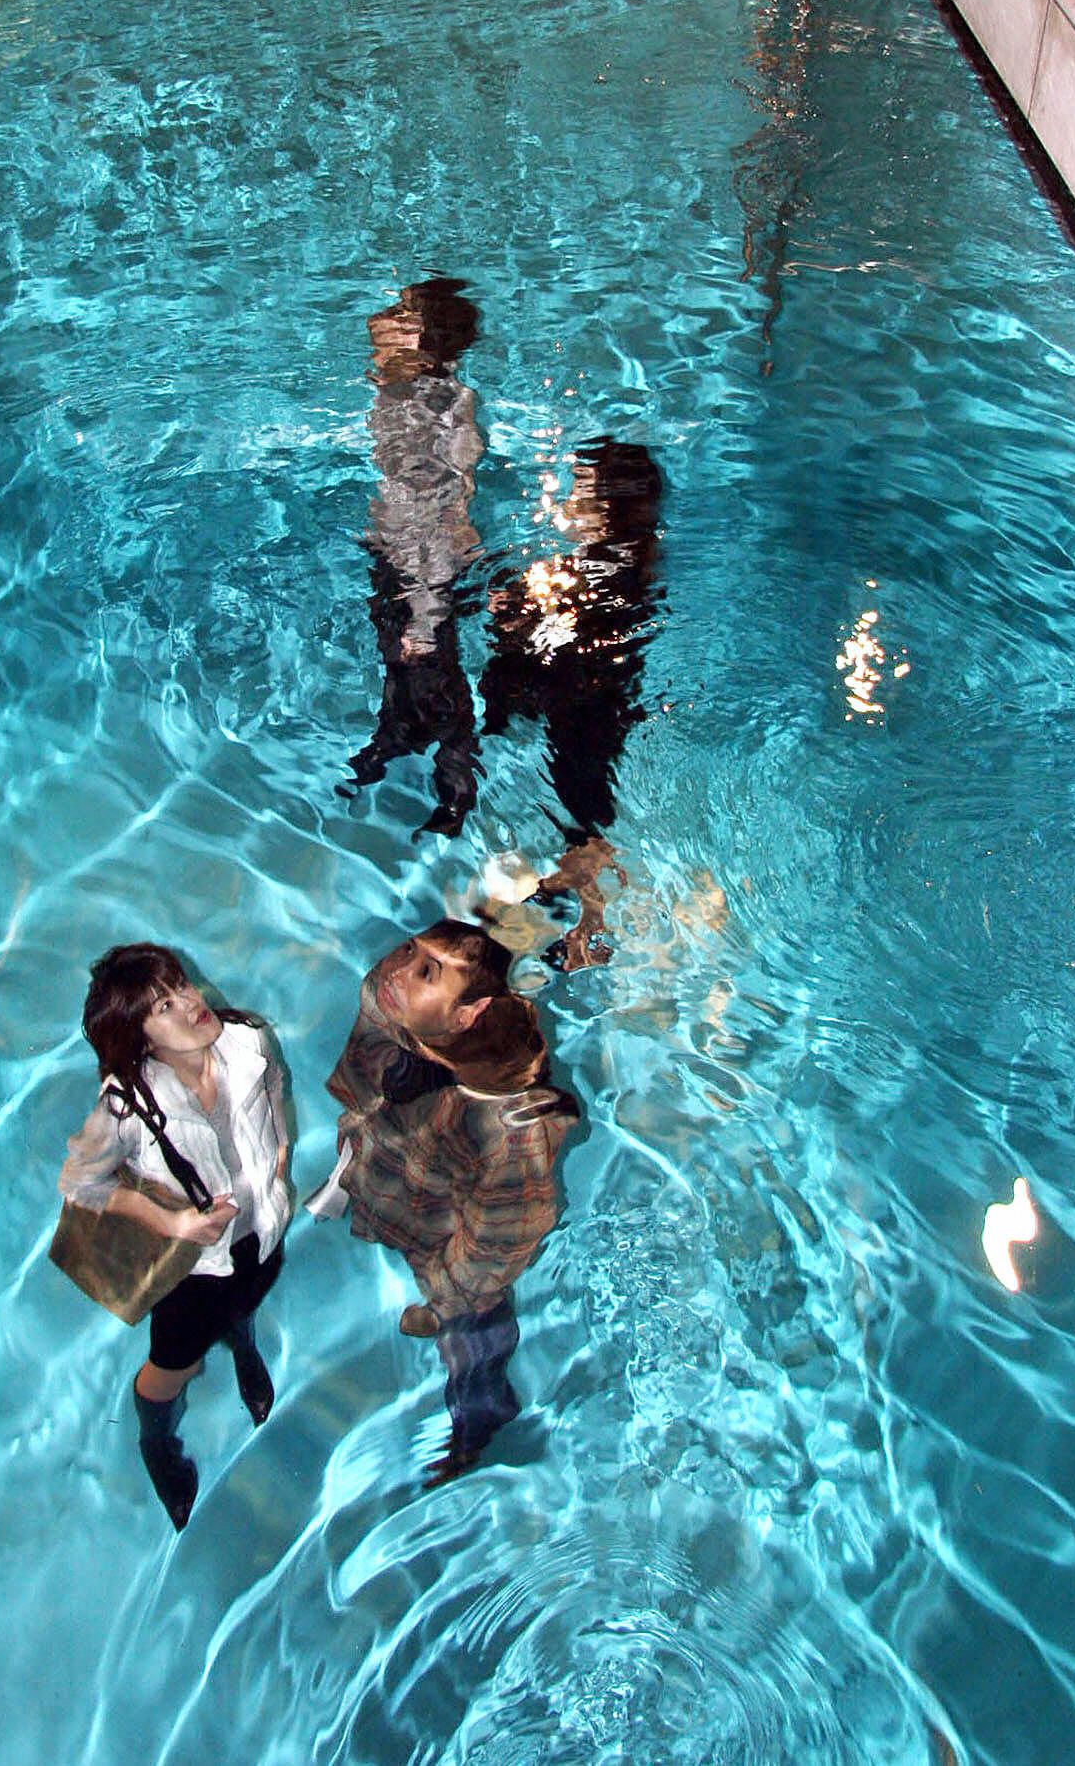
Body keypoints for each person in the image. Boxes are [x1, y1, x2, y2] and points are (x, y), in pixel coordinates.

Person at [322, 920, 577, 1484]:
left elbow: (499, 1246)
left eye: (426, 972)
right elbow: (363, 1075)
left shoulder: (511, 1133)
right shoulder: (389, 1000)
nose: (398, 968)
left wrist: (443, 1303)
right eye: (411, 950)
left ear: (467, 1013)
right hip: (397, 1168)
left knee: (474, 1336)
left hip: (447, 1234)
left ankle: (480, 1427)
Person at [59, 943, 291, 1531]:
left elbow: (276, 1091)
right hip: (193, 1268)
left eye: (182, 986)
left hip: (262, 1230)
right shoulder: (127, 1106)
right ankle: (157, 1443)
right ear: (141, 1039)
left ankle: (242, 1344)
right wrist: (174, 1224)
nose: (191, 1004)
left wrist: (281, 1155)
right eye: (164, 1006)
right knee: (171, 1366)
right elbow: (80, 1183)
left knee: (247, 1301)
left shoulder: (249, 1041)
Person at [480, 439, 663, 969]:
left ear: (602, 510)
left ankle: (590, 926)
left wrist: (509, 611)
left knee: (582, 817)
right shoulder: (637, 568)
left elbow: (541, 648)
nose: (564, 503)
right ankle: (582, 904)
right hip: (607, 702)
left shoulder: (571, 574)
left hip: (577, 702)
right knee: (583, 810)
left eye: (578, 491)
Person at [341, 278, 485, 838]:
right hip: (396, 553)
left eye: (400, 312)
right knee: (397, 663)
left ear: (426, 339)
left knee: (434, 671)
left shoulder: (444, 407)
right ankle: (394, 732)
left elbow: (448, 513)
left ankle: (457, 786)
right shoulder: (397, 395)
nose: (380, 316)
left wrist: (426, 611)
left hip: (427, 565)